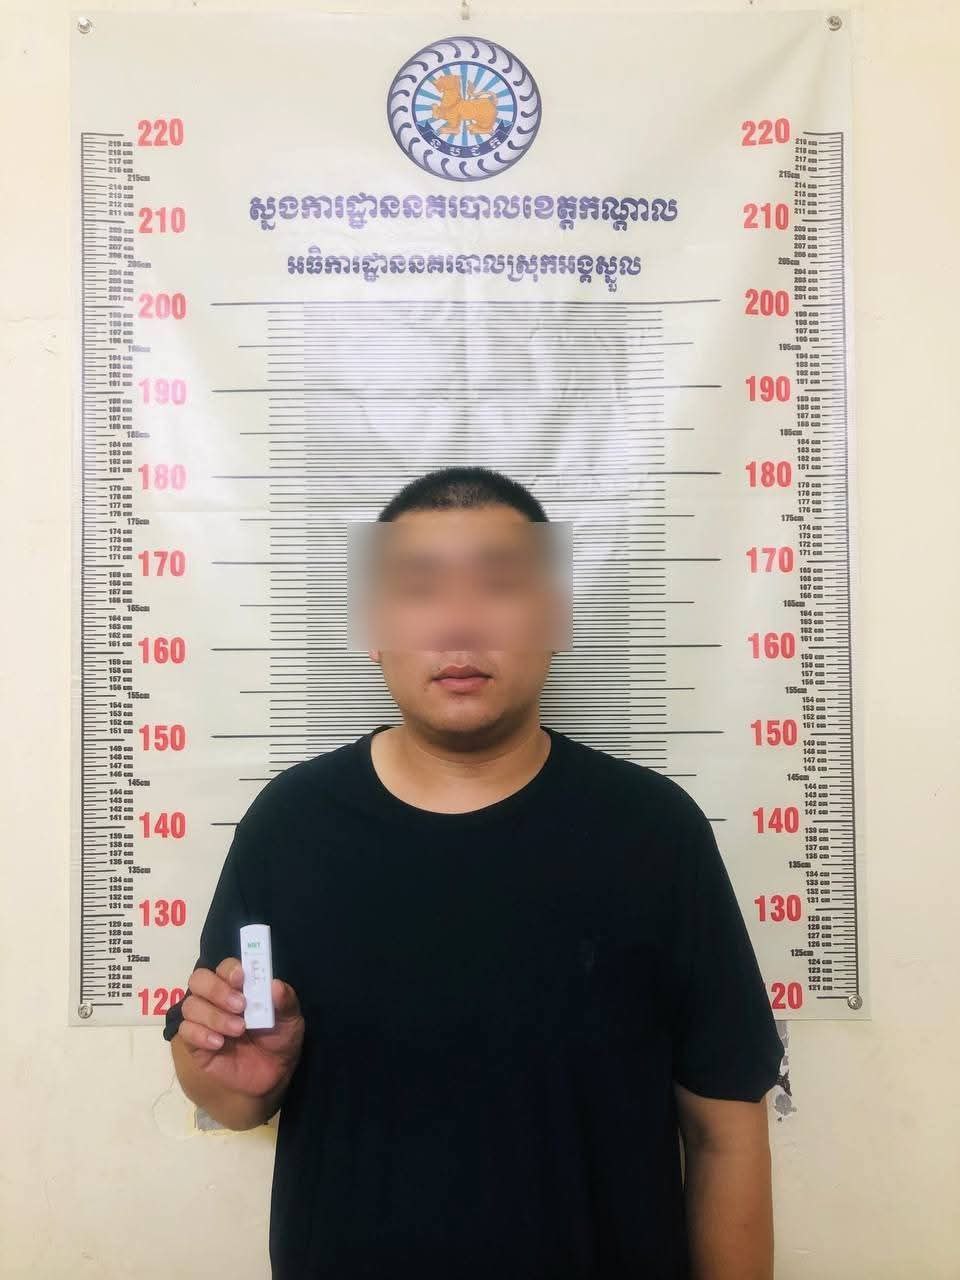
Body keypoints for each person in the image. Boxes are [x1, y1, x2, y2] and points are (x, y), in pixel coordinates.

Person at [163, 465, 784, 1280]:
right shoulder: (291, 825)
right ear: (373, 628)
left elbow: (725, 1128)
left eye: (500, 585)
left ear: (555, 618)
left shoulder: (654, 831)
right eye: (419, 589)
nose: (459, 623)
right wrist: (237, 1081)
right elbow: (229, 1086)